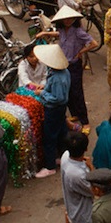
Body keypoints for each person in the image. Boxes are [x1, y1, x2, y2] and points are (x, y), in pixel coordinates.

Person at [37, 6, 98, 127]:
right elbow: (58, 34)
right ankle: (75, 113)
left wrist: (81, 51)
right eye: (65, 19)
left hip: (74, 65)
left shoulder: (78, 31)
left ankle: (85, 122)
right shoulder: (62, 29)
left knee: (77, 93)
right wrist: (45, 33)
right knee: (67, 91)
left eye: (70, 19)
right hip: (63, 64)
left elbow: (94, 43)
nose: (68, 21)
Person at [34, 44, 71, 178]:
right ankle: (63, 157)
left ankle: (50, 166)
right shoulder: (63, 72)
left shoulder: (57, 78)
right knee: (62, 132)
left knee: (49, 137)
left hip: (54, 109)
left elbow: (58, 98)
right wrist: (45, 88)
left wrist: (42, 93)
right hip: (60, 110)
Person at [57, 132, 96, 223]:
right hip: (83, 216)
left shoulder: (65, 156)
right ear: (86, 148)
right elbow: (94, 191)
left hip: (74, 209)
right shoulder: (77, 175)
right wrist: (91, 168)